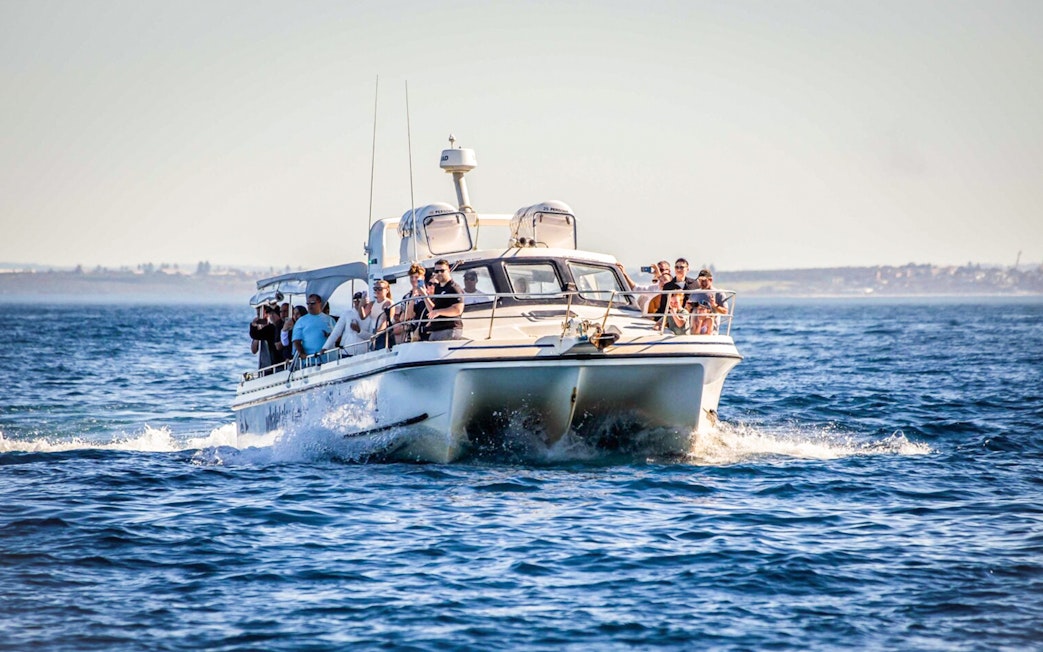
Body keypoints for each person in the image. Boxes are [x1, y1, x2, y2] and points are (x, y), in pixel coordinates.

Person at [419, 259, 465, 341]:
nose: (439, 273)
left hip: (449, 328)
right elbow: (434, 310)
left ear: (448, 270)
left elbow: (458, 310)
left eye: (442, 271)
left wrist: (439, 312)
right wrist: (424, 296)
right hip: (436, 329)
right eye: (437, 271)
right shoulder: (438, 288)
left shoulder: (454, 288)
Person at [322, 291, 372, 356]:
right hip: (346, 352)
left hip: (363, 353)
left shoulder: (370, 316)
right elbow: (336, 332)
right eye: (355, 300)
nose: (357, 302)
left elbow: (372, 337)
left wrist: (359, 331)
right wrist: (325, 347)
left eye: (359, 300)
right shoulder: (346, 314)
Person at [292, 293, 336, 359]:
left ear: (319, 303)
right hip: (310, 360)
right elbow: (296, 340)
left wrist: (330, 335)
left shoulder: (330, 320)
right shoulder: (301, 321)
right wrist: (302, 353)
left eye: (312, 303)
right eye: (308, 304)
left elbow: (339, 337)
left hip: (330, 359)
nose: (310, 306)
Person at [394, 263, 427, 344]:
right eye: (411, 277)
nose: (413, 280)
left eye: (416, 277)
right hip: (412, 334)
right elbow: (404, 317)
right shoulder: (406, 297)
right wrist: (412, 299)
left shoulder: (429, 293)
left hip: (427, 331)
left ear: (422, 278)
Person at [249, 304, 284, 370]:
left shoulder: (272, 328)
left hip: (274, 364)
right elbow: (254, 350)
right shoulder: (260, 331)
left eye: (260, 314)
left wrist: (254, 325)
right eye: (258, 314)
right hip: (265, 365)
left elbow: (254, 334)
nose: (259, 317)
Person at [370, 280, 395, 350]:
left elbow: (385, 321)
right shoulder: (372, 303)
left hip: (383, 333)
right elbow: (363, 316)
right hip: (374, 332)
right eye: (375, 289)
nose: (377, 291)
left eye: (380, 289)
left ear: (387, 290)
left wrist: (377, 334)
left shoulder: (389, 303)